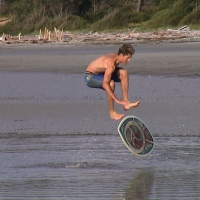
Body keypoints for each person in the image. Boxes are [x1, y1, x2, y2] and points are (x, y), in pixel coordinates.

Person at [84, 43, 140, 120]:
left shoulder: (115, 57)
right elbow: (105, 84)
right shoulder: (111, 64)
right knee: (110, 84)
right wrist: (117, 100)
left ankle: (126, 103)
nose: (129, 60)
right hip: (90, 76)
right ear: (121, 55)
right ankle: (112, 112)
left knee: (124, 73)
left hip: (101, 73)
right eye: (128, 58)